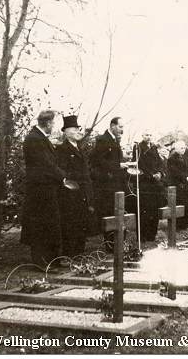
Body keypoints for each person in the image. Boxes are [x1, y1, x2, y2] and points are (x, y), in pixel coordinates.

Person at [20, 110, 69, 265]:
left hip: (45, 189)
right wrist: (63, 176)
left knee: (48, 224)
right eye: (53, 123)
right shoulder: (34, 139)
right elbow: (47, 164)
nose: (53, 126)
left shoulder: (39, 138)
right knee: (41, 226)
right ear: (48, 123)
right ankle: (42, 262)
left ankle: (49, 260)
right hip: (40, 191)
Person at [56, 115, 94, 257]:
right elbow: (63, 171)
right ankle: (69, 255)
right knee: (70, 224)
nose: (77, 131)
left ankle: (79, 255)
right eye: (73, 129)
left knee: (81, 224)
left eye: (78, 128)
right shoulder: (61, 149)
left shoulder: (80, 149)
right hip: (70, 193)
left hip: (83, 193)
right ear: (65, 132)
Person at [89, 117, 129, 251]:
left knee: (118, 213)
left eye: (123, 127)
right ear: (112, 126)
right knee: (110, 213)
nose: (122, 130)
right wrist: (118, 165)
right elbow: (97, 161)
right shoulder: (103, 140)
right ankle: (111, 245)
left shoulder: (114, 140)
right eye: (120, 127)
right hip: (107, 185)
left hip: (116, 184)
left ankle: (118, 243)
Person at [132, 131, 166, 242]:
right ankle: (142, 236)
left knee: (154, 211)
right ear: (142, 135)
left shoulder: (154, 147)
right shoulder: (138, 147)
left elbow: (160, 163)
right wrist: (150, 175)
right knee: (143, 211)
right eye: (146, 134)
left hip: (155, 185)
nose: (149, 136)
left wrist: (160, 173)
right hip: (145, 183)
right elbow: (138, 163)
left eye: (150, 134)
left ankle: (152, 235)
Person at [167, 140, 188, 230]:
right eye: (181, 148)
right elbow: (175, 172)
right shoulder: (172, 158)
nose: (183, 150)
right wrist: (185, 178)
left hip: (186, 185)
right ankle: (179, 226)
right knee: (179, 207)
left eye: (184, 148)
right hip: (178, 185)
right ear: (176, 149)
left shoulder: (184, 157)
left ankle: (187, 225)